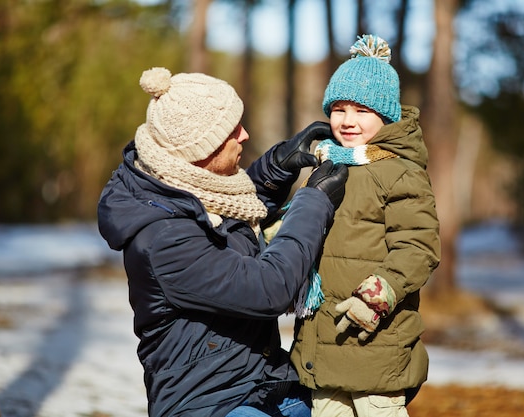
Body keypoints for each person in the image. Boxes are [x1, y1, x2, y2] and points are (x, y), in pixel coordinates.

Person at [97, 67, 348, 417]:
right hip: (210, 403)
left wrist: (278, 167)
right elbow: (268, 287)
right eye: (232, 131)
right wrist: (313, 202)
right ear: (202, 149)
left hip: (259, 384)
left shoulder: (178, 188)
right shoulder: (164, 240)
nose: (244, 135)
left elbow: (229, 219)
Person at [289, 35, 441, 417]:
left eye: (362, 110)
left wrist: (376, 296)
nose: (347, 121)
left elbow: (418, 248)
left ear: (385, 116)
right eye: (339, 109)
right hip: (323, 340)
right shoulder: (327, 165)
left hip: (375, 340)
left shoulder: (399, 172)